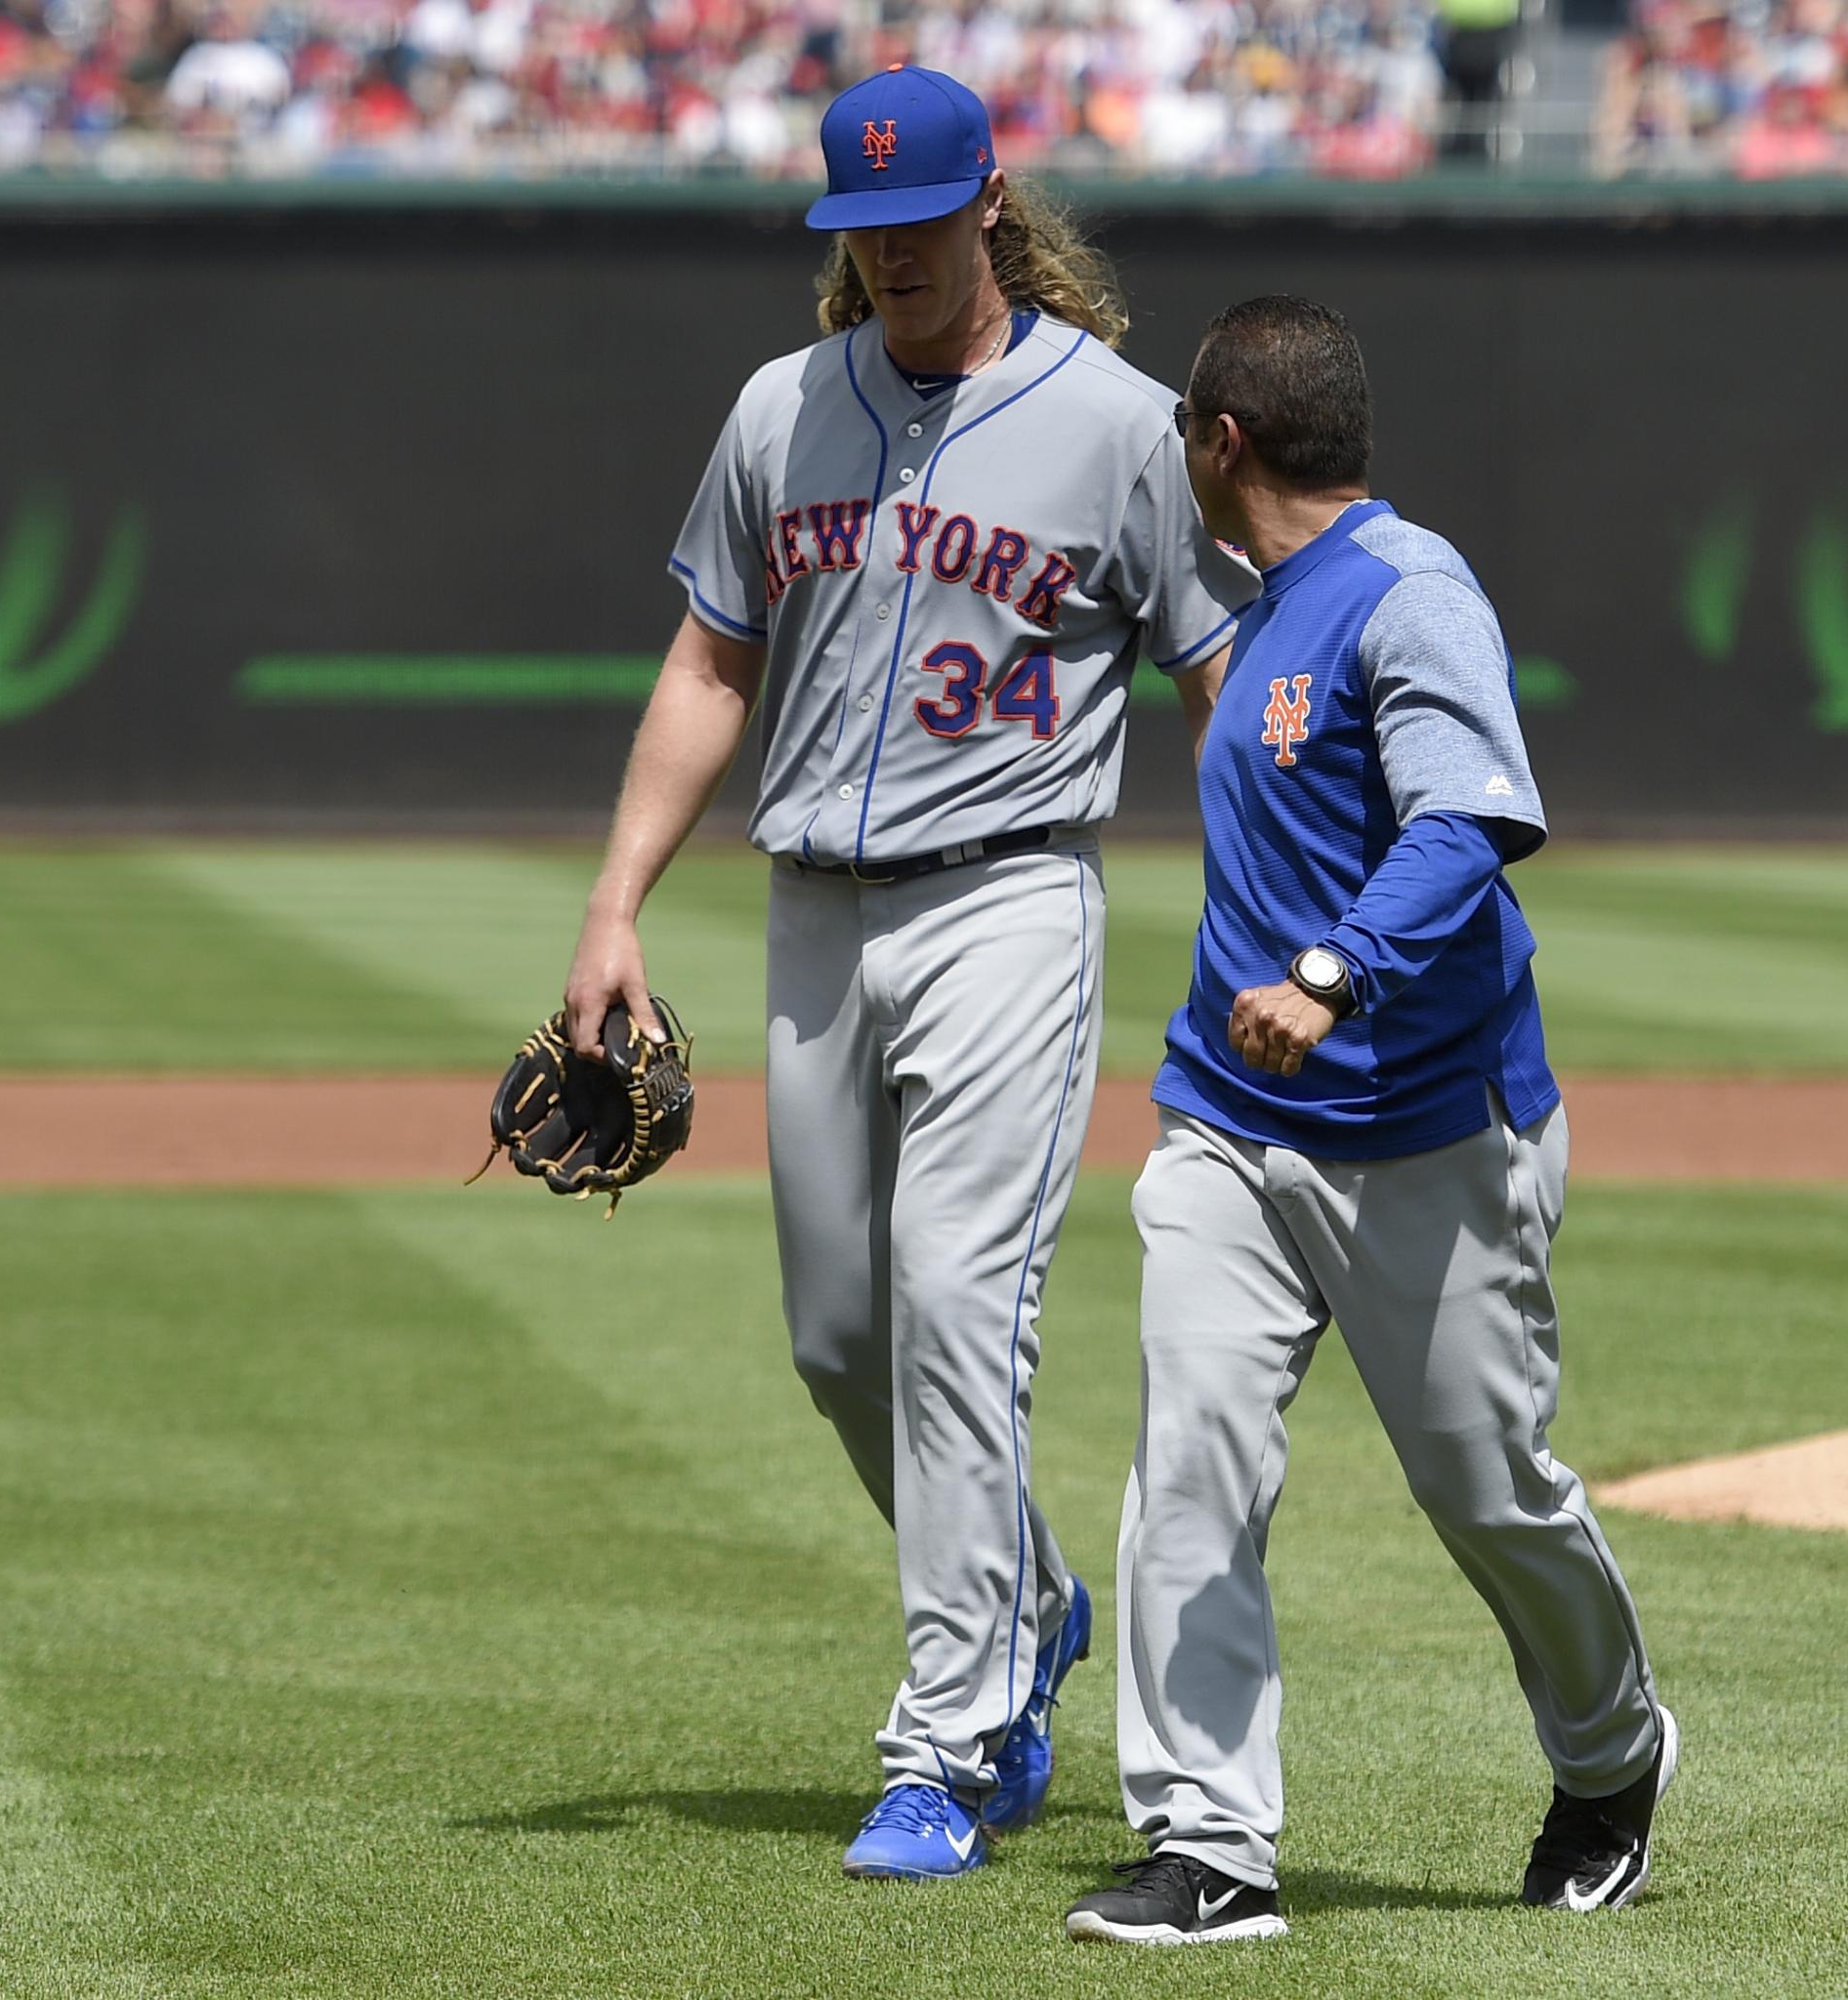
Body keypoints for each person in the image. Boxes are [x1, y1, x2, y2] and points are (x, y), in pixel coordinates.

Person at [561, 65, 1255, 1881]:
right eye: (854, 228)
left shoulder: (1116, 424)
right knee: (833, 1334)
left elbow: (1219, 681)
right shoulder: (782, 409)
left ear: (989, 206)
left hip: (1008, 901)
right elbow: (713, 663)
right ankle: (1027, 1597)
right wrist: (615, 903)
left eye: (912, 223)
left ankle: (946, 1740)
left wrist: (1294, 905)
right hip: (809, 913)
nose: (882, 254)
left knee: (957, 1308)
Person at [1062, 296, 1673, 1946]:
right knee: (1189, 1458)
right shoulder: (1256, 607)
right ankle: (1208, 1843)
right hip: (1227, 1123)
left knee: (1487, 1486)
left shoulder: (1411, 593)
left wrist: (1330, 968)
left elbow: (1471, 811)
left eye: (1183, 423)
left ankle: (1612, 1751)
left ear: (1224, 441)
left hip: (1425, 1128)